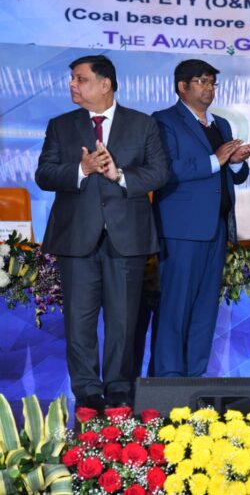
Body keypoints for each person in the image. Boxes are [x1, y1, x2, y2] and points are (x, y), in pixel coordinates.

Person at [34, 55, 168, 410]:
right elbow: (44, 174)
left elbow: (159, 173)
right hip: (76, 238)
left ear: (105, 83)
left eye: (80, 79)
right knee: (79, 321)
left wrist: (119, 175)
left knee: (123, 321)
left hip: (127, 238)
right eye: (72, 78)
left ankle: (119, 389)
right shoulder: (61, 125)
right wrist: (81, 169)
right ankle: (87, 392)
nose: (72, 84)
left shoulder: (142, 124)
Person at [151, 59, 250, 377]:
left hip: (215, 228)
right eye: (202, 82)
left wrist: (235, 162)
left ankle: (195, 377)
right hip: (181, 229)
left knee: (206, 308)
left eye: (212, 83)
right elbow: (165, 170)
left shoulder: (221, 124)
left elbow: (234, 175)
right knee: (175, 307)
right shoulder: (164, 120)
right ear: (182, 87)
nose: (209, 88)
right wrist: (216, 159)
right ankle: (169, 378)